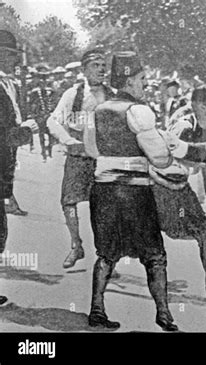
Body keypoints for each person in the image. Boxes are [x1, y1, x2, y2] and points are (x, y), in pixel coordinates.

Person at [88, 51, 180, 331]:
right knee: (154, 255)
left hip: (103, 190)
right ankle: (164, 313)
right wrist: (166, 145)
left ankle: (96, 309)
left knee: (106, 254)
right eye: (141, 79)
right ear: (128, 81)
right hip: (134, 193)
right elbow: (161, 159)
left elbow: (91, 149)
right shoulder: (138, 111)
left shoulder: (98, 110)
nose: (145, 84)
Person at [152, 85, 206, 296]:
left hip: (181, 187)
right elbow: (161, 155)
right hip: (161, 187)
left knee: (204, 231)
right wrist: (192, 163)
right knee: (159, 234)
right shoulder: (184, 126)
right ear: (202, 106)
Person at [47, 49, 115, 269]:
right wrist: (67, 140)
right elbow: (53, 121)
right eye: (95, 65)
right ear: (84, 69)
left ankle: (106, 253)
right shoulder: (73, 94)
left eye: (103, 65)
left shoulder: (112, 94)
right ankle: (76, 244)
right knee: (69, 202)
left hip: (103, 160)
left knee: (105, 206)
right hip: (77, 157)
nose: (101, 70)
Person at [0, 29, 37, 294]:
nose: (15, 61)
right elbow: (4, 135)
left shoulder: (7, 84)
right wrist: (27, 131)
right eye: (11, 55)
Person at [28, 65, 56, 161]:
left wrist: (53, 111)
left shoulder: (51, 91)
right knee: (41, 134)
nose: (43, 82)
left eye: (45, 79)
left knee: (51, 134)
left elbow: (54, 102)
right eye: (41, 80)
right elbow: (32, 104)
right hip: (40, 115)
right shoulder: (34, 92)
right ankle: (43, 152)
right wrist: (34, 114)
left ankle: (50, 150)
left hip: (49, 115)